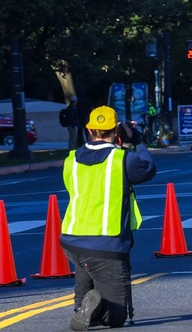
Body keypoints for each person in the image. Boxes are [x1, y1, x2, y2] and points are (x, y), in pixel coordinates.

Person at [61, 106, 157, 330]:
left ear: (89, 130)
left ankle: (81, 309)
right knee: (117, 315)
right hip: (106, 244)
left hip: (72, 240)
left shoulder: (71, 160)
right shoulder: (123, 159)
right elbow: (148, 169)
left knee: (86, 266)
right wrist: (138, 142)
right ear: (115, 131)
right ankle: (98, 310)